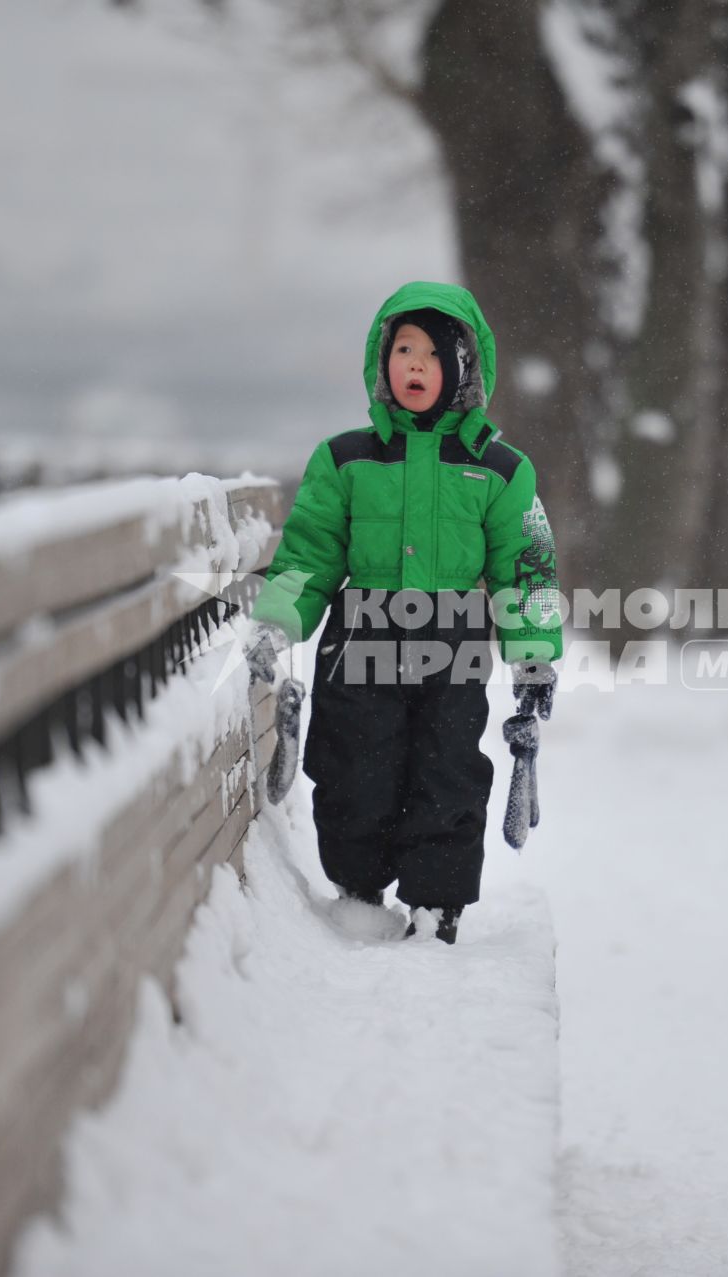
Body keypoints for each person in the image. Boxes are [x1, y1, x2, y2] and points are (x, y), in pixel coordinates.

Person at [248, 282, 562, 945]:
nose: (414, 365)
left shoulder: (499, 468)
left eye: (432, 353)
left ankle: (436, 904)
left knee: (447, 769)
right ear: (381, 361)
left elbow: (524, 566)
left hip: (453, 642)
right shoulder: (346, 459)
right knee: (353, 765)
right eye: (403, 349)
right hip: (360, 635)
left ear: (465, 368)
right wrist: (278, 621)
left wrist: (533, 654)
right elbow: (309, 554)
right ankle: (359, 891)